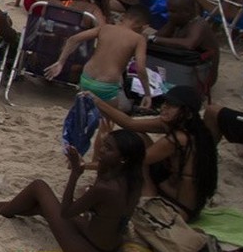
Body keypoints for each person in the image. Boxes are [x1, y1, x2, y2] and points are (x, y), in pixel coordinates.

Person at [0, 130, 145, 252]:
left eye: (108, 148)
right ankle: (1, 205)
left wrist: (75, 173)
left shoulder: (107, 188)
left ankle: (2, 210)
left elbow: (66, 212)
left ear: (123, 159)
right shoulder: (134, 181)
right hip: (111, 245)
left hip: (89, 249)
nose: (101, 150)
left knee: (39, 186)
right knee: (42, 207)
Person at [93, 86, 218, 221]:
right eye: (165, 103)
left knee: (136, 158)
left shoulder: (179, 138)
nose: (164, 108)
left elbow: (135, 160)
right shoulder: (186, 126)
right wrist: (97, 102)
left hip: (179, 208)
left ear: (187, 114)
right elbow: (130, 124)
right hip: (182, 195)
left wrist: (91, 163)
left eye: (172, 106)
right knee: (137, 137)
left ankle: (148, 194)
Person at [45, 5, 155, 110]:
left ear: (123, 16)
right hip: (106, 85)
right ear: (144, 26)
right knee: (115, 113)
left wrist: (60, 62)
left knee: (86, 110)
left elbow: (73, 39)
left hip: (86, 79)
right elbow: (140, 68)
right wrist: (147, 94)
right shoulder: (138, 39)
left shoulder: (105, 28)